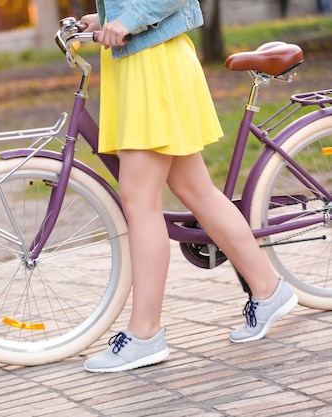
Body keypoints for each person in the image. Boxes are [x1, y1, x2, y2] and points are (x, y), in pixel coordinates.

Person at [80, 0, 298, 373]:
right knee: (194, 189)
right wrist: (105, 18)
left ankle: (145, 334)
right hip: (143, 62)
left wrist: (127, 20)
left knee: (139, 202)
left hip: (153, 65)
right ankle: (268, 289)